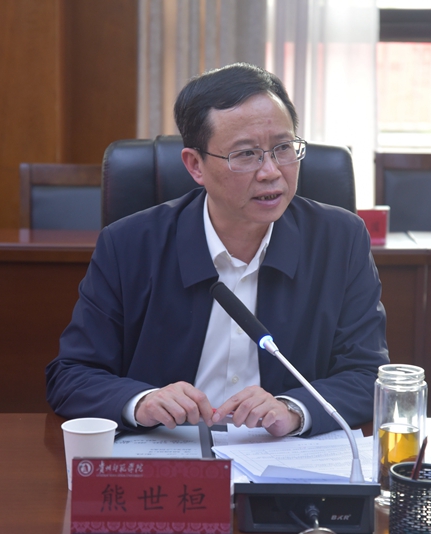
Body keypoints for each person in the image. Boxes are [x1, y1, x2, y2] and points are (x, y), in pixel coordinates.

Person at [45, 63, 389, 437]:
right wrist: (142, 402)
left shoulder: (339, 240)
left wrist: (293, 409)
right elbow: (71, 375)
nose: (271, 171)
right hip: (168, 450)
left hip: (280, 453)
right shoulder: (128, 244)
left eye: (283, 148)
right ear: (196, 165)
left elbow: (366, 374)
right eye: (246, 154)